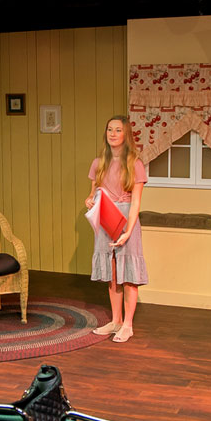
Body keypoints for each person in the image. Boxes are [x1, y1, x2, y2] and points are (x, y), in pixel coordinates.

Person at [85, 115, 148, 343]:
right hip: (105, 218)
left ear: (126, 134)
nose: (113, 134)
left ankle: (128, 325)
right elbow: (93, 194)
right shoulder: (98, 163)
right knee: (112, 273)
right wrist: (89, 200)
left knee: (128, 274)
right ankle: (116, 320)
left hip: (126, 219)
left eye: (118, 130)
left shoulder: (135, 164)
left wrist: (128, 232)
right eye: (109, 129)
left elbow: (136, 203)